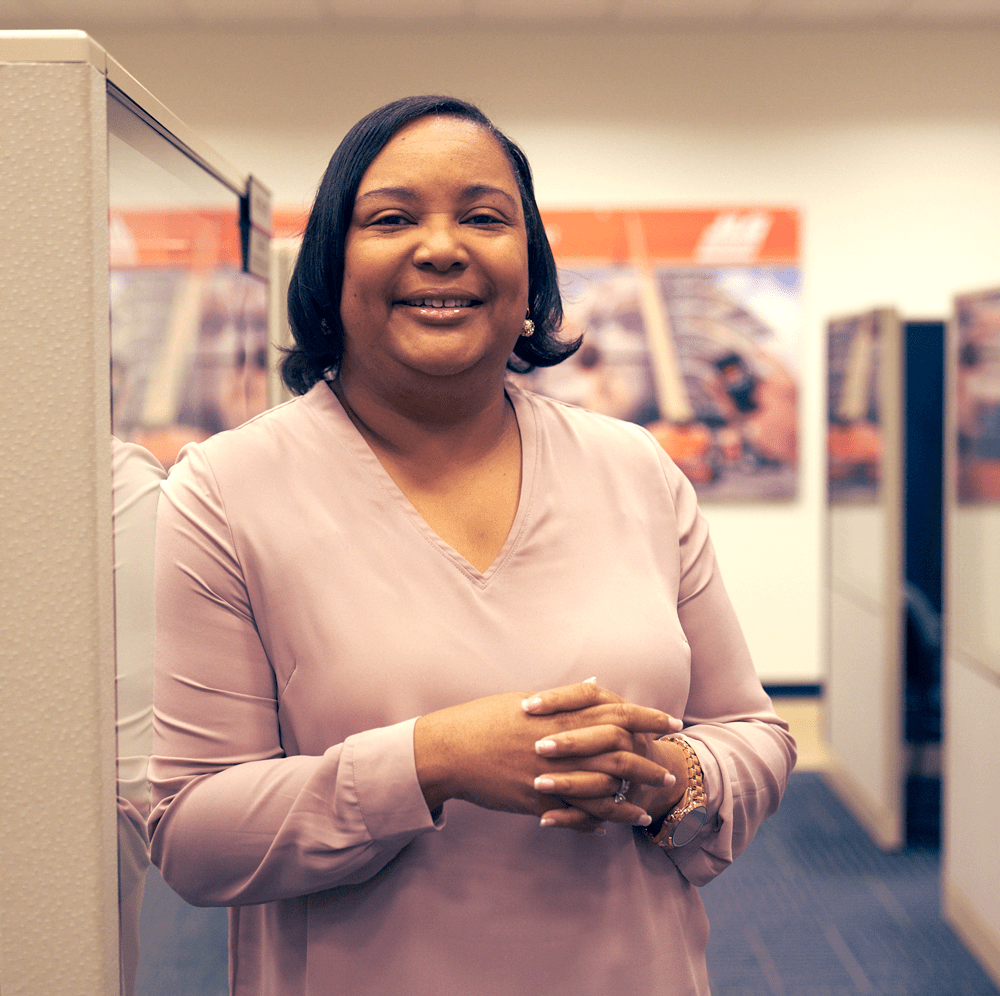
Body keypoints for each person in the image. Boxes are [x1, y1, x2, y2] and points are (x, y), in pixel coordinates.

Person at [148, 95, 796, 996]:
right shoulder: (225, 493)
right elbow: (191, 834)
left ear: (529, 269)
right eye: (393, 218)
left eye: (485, 216)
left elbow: (752, 734)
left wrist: (676, 776)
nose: (443, 245)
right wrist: (428, 762)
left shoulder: (633, 471)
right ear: (331, 266)